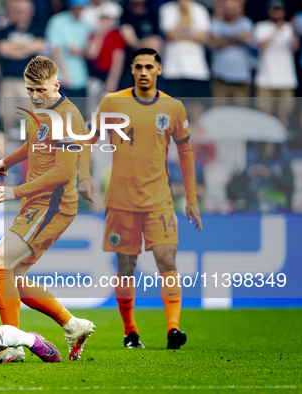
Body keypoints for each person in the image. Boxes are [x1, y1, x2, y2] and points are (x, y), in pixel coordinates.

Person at [78, 48, 202, 349]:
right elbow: (87, 139)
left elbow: (185, 152)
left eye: (150, 66)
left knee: (166, 259)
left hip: (159, 199)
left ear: (159, 69)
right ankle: (130, 332)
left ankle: (173, 328)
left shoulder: (173, 108)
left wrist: (191, 197)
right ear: (132, 70)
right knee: (126, 267)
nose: (144, 71)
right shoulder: (112, 102)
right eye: (139, 67)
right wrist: (84, 175)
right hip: (121, 201)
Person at [0, 56, 96, 363]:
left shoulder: (69, 117)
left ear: (56, 85)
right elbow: (36, 144)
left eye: (40, 89)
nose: (34, 96)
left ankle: (11, 344)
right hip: (38, 202)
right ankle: (73, 326)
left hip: (53, 205)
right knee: (14, 275)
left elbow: (63, 172)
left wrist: (14, 191)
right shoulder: (41, 109)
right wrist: (7, 161)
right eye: (29, 89)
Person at [254, 0, 298, 127]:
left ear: (284, 12)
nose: (277, 13)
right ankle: (267, 147)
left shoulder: (289, 28)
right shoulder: (261, 26)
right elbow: (260, 46)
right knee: (264, 117)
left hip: (286, 80)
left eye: (279, 10)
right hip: (265, 80)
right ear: (269, 11)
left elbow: (295, 48)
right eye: (274, 9)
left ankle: (282, 147)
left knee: (283, 117)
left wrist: (292, 29)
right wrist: (276, 30)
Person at [210, 0, 254, 107]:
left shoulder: (246, 22)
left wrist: (224, 38)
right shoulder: (216, 23)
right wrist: (237, 38)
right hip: (220, 76)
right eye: (228, 8)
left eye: (233, 9)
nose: (230, 11)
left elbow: (247, 38)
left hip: (241, 77)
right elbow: (214, 43)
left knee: (241, 114)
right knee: (219, 113)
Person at [45, 0, 93, 98]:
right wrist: (64, 73)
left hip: (81, 77)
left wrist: (81, 51)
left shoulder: (86, 25)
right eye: (76, 7)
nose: (78, 10)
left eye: (81, 8)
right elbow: (55, 49)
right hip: (61, 78)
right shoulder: (57, 21)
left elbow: (91, 51)